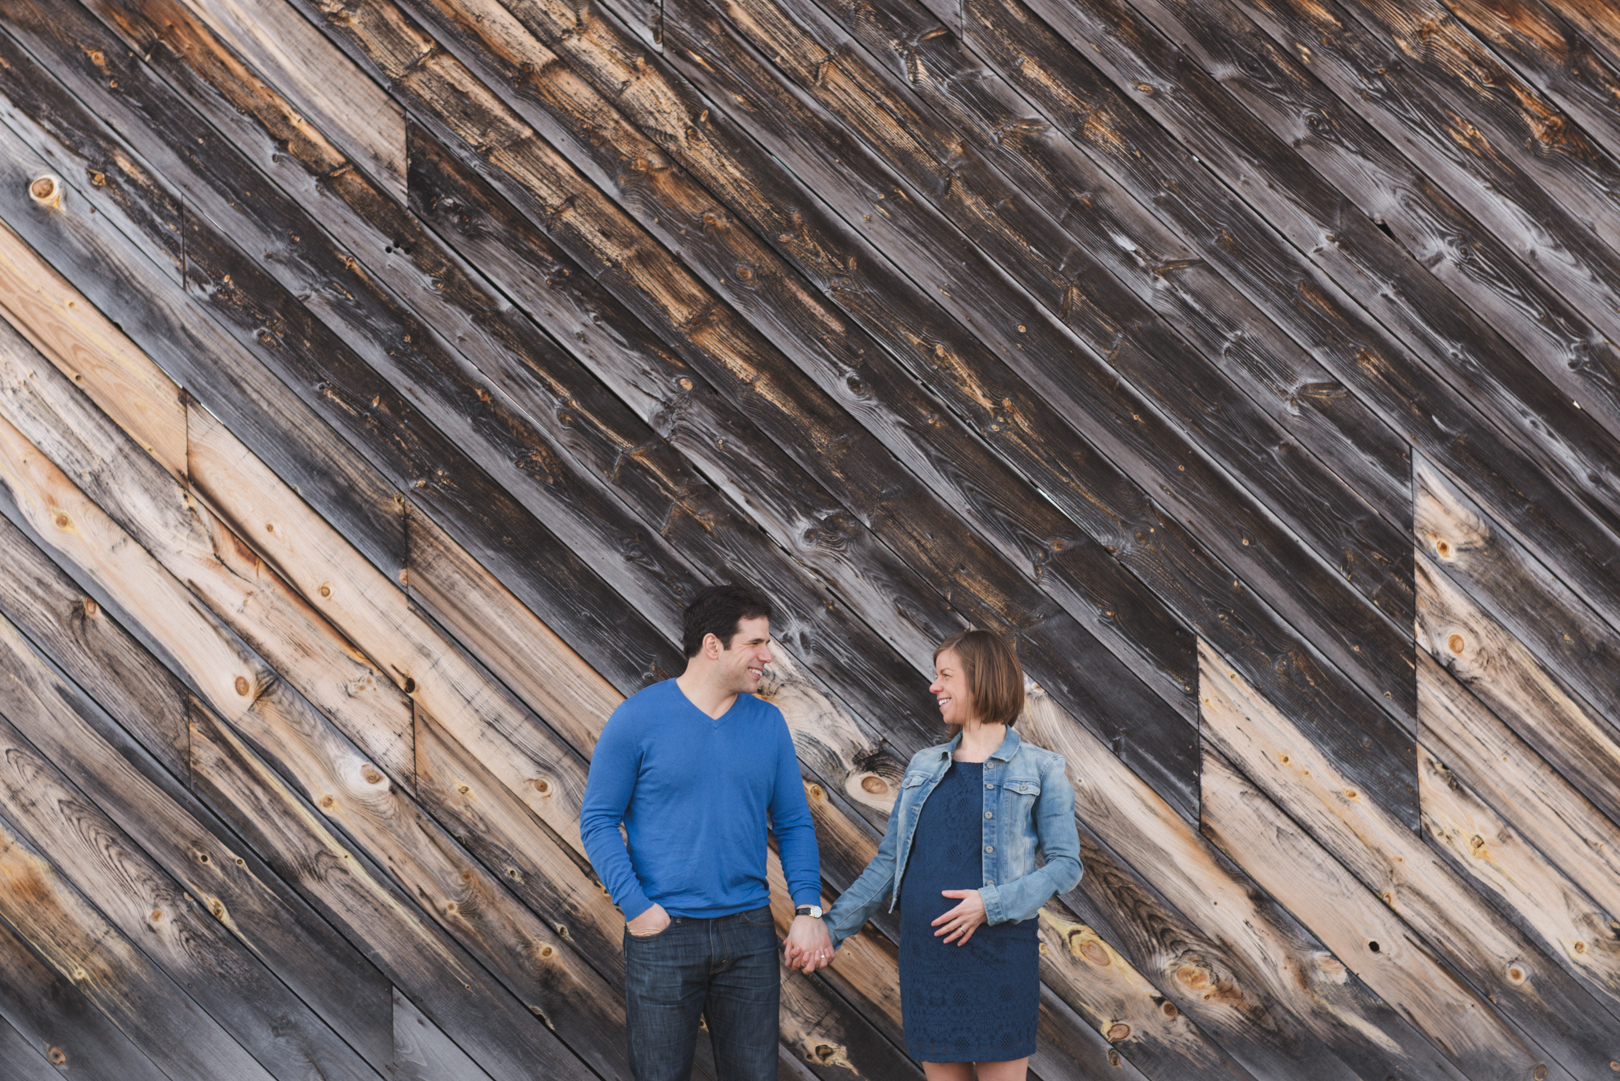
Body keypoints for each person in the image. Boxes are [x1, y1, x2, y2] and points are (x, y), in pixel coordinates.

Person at [581, 583, 833, 1081]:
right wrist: (638, 908)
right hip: (664, 933)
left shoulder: (768, 724)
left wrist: (808, 909)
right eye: (756, 643)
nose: (768, 656)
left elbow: (794, 822)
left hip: (748, 935)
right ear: (714, 645)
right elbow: (598, 820)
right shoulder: (637, 720)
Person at [817, 630, 1082, 1079]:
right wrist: (831, 929)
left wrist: (989, 904)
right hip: (930, 960)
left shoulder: (1042, 768)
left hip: (999, 956)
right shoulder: (924, 765)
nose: (933, 686)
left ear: (982, 679)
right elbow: (889, 862)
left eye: (945, 676)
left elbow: (1066, 865)